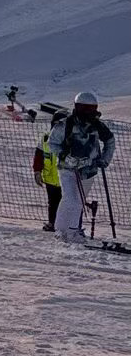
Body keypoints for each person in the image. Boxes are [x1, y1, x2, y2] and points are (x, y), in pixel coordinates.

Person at [53, 92, 116, 245]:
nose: (90, 112)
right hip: (67, 169)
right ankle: (71, 232)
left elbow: (110, 141)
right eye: (86, 108)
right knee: (73, 200)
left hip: (88, 170)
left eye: (92, 109)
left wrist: (104, 160)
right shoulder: (65, 124)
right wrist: (65, 156)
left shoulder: (97, 125)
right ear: (78, 107)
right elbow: (53, 143)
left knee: (75, 200)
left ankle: (62, 229)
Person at [33, 119, 62, 231]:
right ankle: (52, 223)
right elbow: (39, 156)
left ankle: (66, 225)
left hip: (65, 178)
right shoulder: (45, 138)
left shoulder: (69, 139)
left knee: (66, 203)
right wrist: (37, 171)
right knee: (53, 203)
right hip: (50, 178)